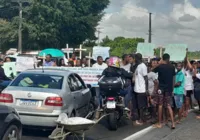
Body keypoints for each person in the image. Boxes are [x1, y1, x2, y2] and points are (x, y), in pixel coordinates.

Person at [153, 53, 176, 129]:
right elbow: (173, 79)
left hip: (161, 88)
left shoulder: (160, 67)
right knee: (168, 105)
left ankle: (159, 123)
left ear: (163, 59)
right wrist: (172, 89)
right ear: (169, 59)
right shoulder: (172, 67)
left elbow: (153, 70)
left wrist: (159, 63)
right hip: (169, 89)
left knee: (160, 105)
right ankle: (173, 123)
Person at [134, 53, 148, 125]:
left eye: (135, 58)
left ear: (137, 58)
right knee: (139, 106)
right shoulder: (138, 66)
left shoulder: (143, 66)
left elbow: (146, 78)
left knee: (141, 106)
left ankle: (141, 120)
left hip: (142, 89)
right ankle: (142, 118)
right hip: (137, 89)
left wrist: (147, 89)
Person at [147, 59, 159, 123]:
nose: (154, 64)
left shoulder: (155, 73)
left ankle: (154, 118)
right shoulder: (150, 72)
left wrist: (154, 91)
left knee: (153, 105)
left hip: (154, 91)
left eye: (155, 63)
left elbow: (156, 83)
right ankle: (153, 116)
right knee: (151, 105)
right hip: (150, 90)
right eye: (153, 63)